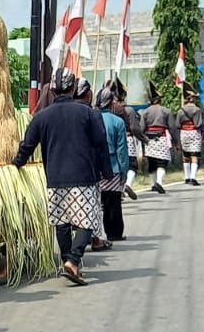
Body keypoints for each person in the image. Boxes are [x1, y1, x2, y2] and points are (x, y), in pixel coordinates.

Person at [14, 68, 113, 286]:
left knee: (63, 222)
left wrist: (16, 164)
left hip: (55, 178)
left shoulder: (41, 117)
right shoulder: (89, 114)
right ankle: (73, 260)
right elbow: (100, 146)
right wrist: (107, 172)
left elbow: (27, 146)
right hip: (84, 177)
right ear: (71, 88)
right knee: (87, 221)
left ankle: (67, 262)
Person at [95, 87, 131, 244]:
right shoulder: (118, 122)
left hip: (95, 166)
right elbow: (122, 149)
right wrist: (124, 171)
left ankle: (96, 234)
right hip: (114, 165)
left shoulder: (91, 118)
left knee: (96, 202)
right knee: (114, 202)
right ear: (111, 103)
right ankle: (114, 233)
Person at [139, 90, 176, 193]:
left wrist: (143, 140)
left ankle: (153, 183)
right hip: (162, 138)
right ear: (159, 99)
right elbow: (172, 127)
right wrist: (176, 141)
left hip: (149, 139)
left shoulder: (145, 112)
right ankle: (159, 183)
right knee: (162, 162)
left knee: (152, 162)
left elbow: (141, 128)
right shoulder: (166, 111)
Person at [177, 91, 204, 186]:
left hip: (184, 133)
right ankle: (193, 177)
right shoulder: (197, 110)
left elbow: (177, 124)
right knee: (194, 155)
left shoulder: (180, 110)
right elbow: (198, 124)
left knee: (185, 155)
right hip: (194, 132)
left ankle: (187, 177)